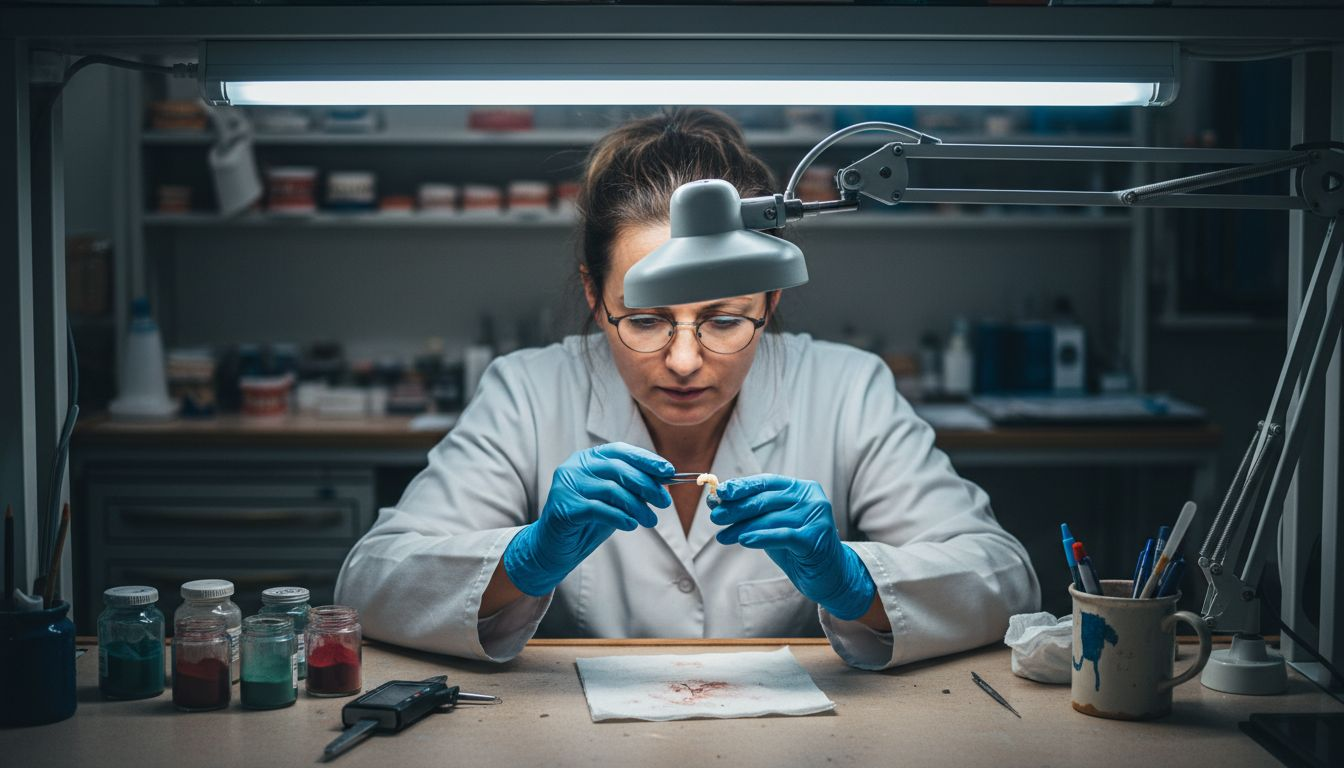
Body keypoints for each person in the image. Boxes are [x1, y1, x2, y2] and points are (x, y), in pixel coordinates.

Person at [334, 108, 1040, 670]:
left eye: (723, 318)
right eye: (644, 320)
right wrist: (525, 559)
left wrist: (853, 580)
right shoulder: (528, 390)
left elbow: (1005, 579)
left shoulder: (847, 388)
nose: (681, 360)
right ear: (593, 292)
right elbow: (366, 585)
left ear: (770, 296)